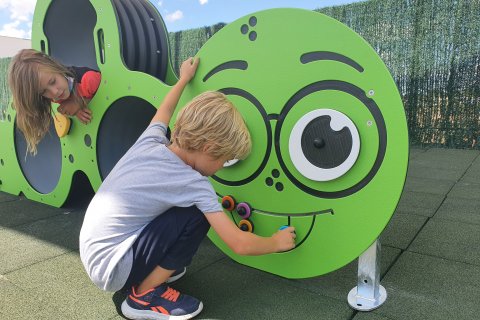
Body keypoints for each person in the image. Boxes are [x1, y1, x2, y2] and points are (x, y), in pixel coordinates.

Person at [79, 56, 296, 320]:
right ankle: (144, 295)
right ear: (208, 149)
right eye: (223, 159)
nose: (221, 167)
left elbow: (164, 110)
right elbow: (238, 243)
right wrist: (276, 242)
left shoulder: (152, 140)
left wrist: (183, 79)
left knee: (175, 208)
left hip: (95, 254)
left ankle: (152, 270)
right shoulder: (195, 183)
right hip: (114, 267)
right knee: (196, 214)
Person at [8, 48, 101, 154]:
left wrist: (79, 103)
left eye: (52, 81)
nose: (54, 92)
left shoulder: (86, 79)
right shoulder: (54, 95)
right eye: (44, 92)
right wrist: (77, 111)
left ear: (55, 67)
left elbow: (100, 83)